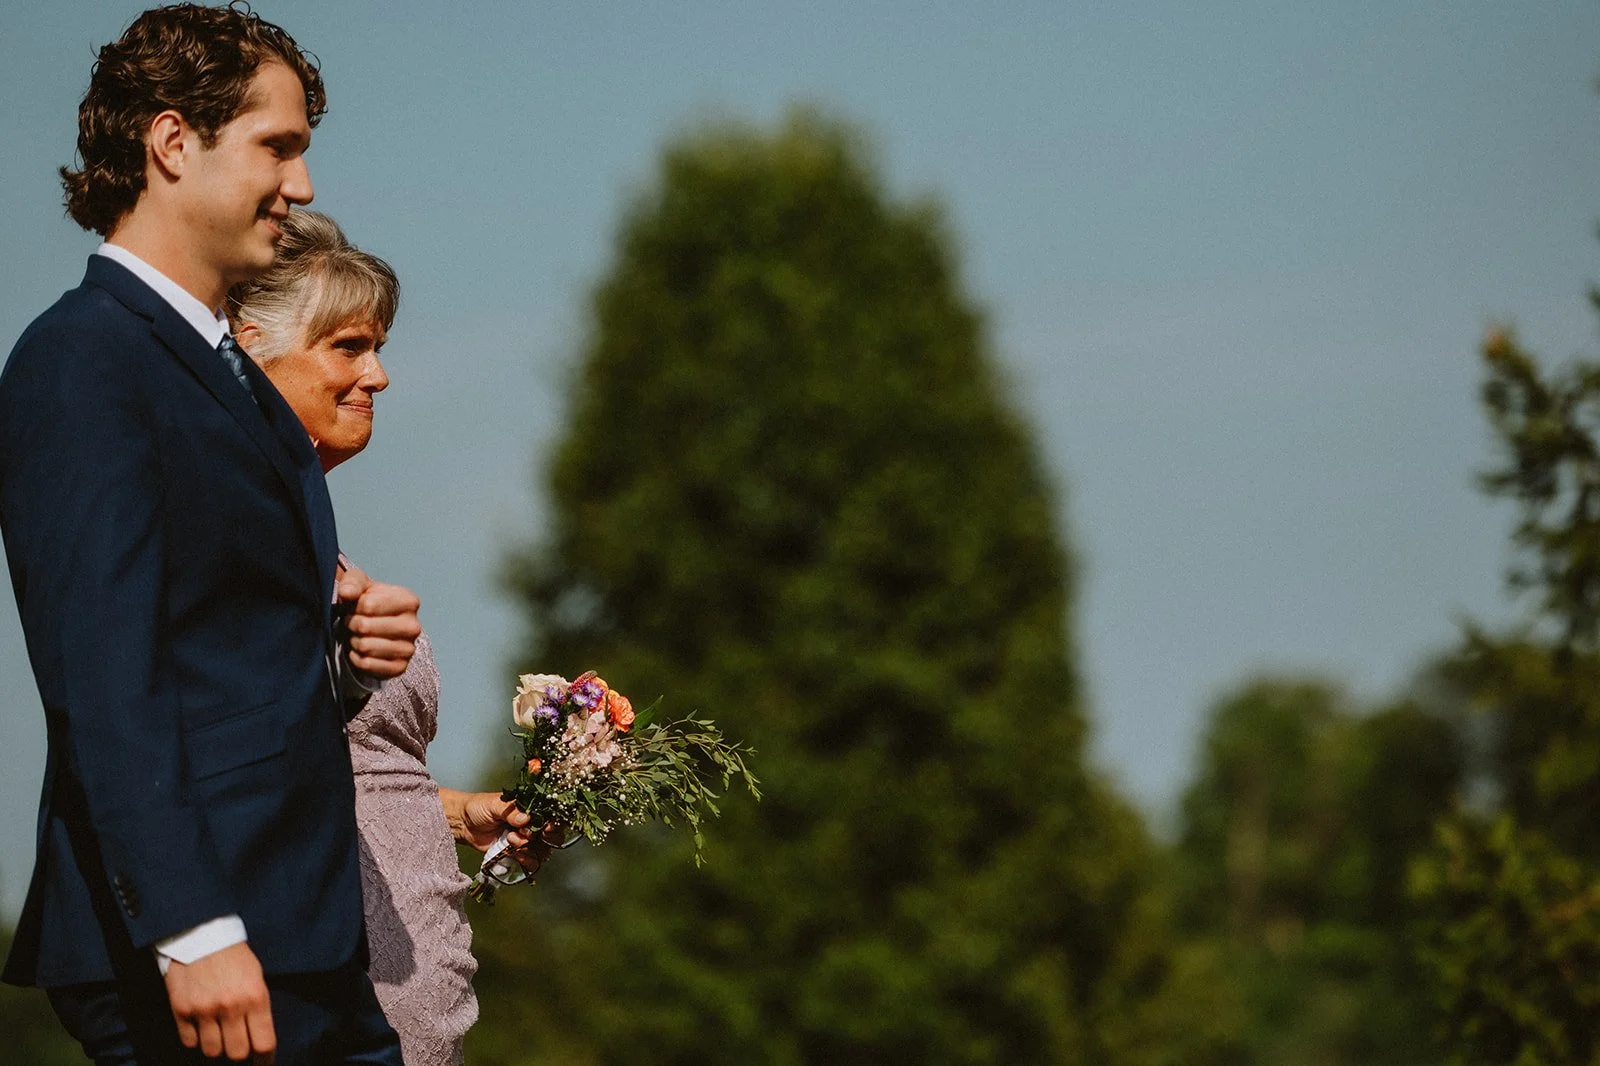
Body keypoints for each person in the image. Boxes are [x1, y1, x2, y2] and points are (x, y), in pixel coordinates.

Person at [0, 6, 420, 1063]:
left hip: (305, 928)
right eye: (277, 147)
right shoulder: (84, 359)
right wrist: (191, 927)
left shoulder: (224, 370)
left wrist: (343, 647)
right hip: (203, 947)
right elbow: (104, 669)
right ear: (173, 142)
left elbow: (216, 647)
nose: (304, 185)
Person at [228, 208, 547, 1066]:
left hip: (408, 996)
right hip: (324, 982)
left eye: (381, 347)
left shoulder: (323, 546)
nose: (381, 375)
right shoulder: (236, 543)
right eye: (350, 347)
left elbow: (344, 764)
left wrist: (451, 812)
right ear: (250, 347)